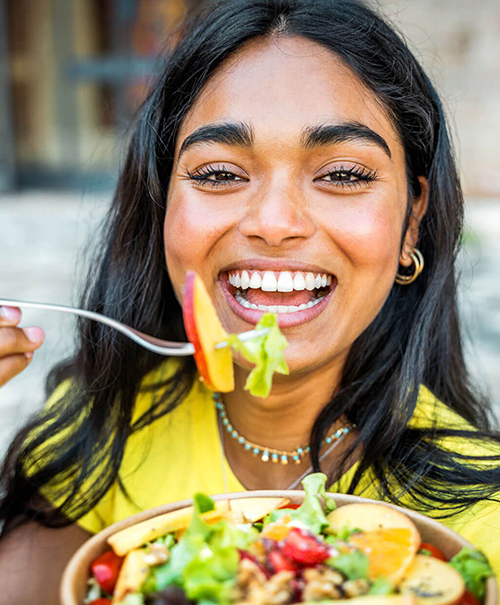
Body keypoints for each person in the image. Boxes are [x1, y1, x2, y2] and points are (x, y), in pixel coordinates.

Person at [1, 0, 500, 602]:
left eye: (342, 174)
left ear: (412, 220)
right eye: (218, 174)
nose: (275, 222)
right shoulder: (102, 424)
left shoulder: (479, 518)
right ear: (163, 207)